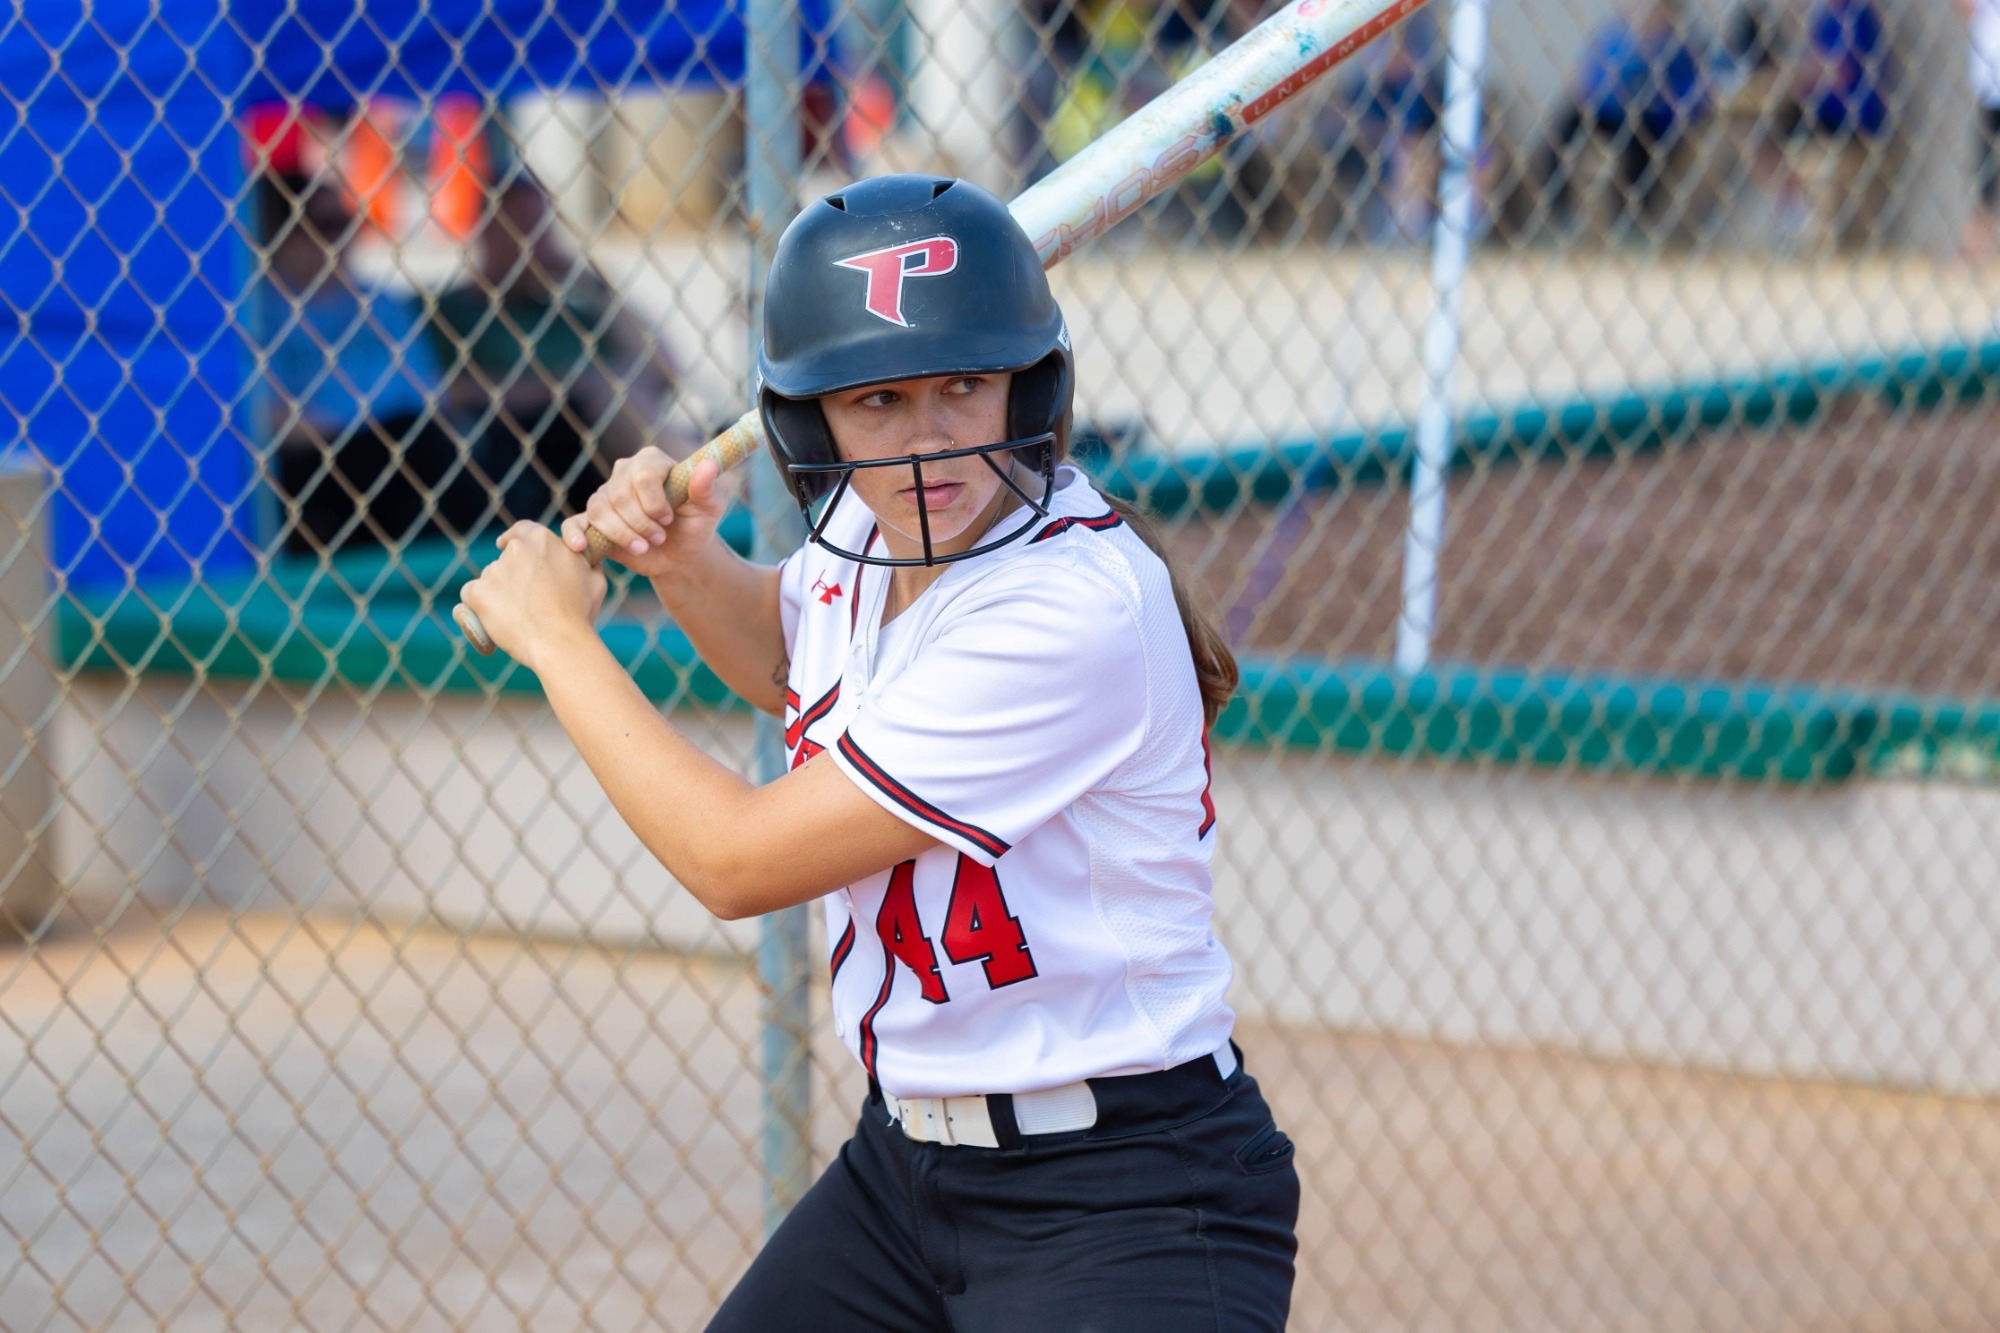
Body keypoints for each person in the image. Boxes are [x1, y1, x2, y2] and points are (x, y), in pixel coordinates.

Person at [458, 174, 1300, 1331]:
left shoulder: (1068, 606)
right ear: (811, 422)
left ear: (1029, 383)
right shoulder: (869, 526)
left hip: (1125, 1195)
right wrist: (688, 563)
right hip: (905, 1165)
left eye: (964, 383)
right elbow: (791, 667)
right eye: (878, 400)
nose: (929, 440)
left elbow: (735, 861)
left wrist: (559, 644)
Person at [430, 173, 691, 525]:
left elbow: (663, 370)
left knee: (615, 390)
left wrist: (588, 281)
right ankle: (693, 481)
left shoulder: (566, 312)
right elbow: (443, 392)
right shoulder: (451, 312)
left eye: (538, 232)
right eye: (517, 230)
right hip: (515, 431)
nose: (529, 246)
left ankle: (689, 479)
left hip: (594, 427)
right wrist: (560, 386)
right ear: (485, 233)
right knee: (609, 391)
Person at [255, 173, 483, 553]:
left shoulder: (380, 304)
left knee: (426, 446)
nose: (336, 239)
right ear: (279, 232)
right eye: (318, 225)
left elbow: (429, 392)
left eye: (343, 224)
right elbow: (265, 415)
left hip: (401, 440)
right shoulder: (261, 312)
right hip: (320, 454)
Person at [1535, 0, 1712, 236]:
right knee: (1565, 128)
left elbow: (1692, 95)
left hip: (1651, 120)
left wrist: (1660, 99)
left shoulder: (1680, 47)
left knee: (1640, 150)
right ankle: (1557, 211)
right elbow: (1589, 80)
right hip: (1607, 113)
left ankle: (1631, 222)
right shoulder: (1616, 37)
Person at [1962, 0, 2000, 259]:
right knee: (1985, 168)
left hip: (1989, 83)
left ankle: (1974, 245)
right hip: (1990, 88)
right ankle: (1975, 244)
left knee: (1986, 168)